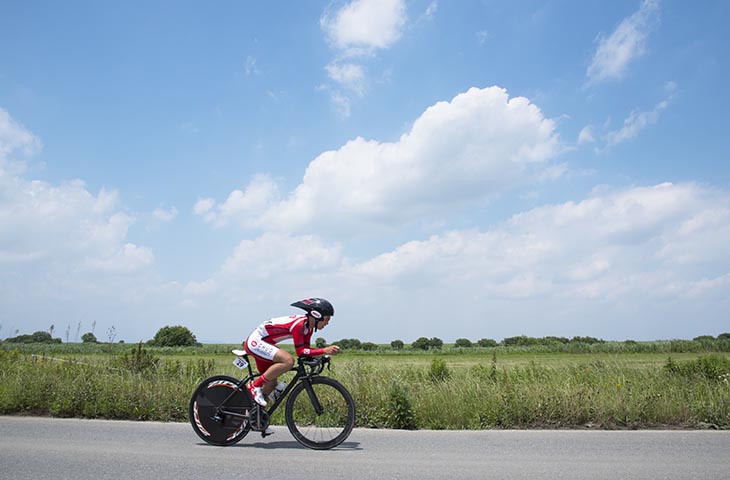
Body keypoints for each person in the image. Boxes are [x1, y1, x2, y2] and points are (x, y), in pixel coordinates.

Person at [243, 297, 340, 408]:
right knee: (288, 361)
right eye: (327, 319)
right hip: (256, 341)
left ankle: (255, 417)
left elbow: (306, 351)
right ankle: (254, 386)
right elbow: (300, 352)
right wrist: (324, 350)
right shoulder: (299, 325)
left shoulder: (309, 328)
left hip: (266, 343)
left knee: (271, 385)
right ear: (317, 315)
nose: (327, 323)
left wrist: (321, 356)